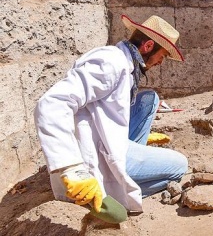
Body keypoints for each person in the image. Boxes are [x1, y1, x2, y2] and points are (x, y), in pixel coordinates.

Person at [34, 15, 188, 218]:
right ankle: (114, 193)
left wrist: (126, 133)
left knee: (149, 100)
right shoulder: (111, 62)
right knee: (179, 165)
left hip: (107, 141)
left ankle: (130, 164)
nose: (161, 62)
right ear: (149, 45)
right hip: (94, 156)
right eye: (163, 55)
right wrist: (71, 169)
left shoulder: (123, 61)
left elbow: (109, 110)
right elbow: (51, 103)